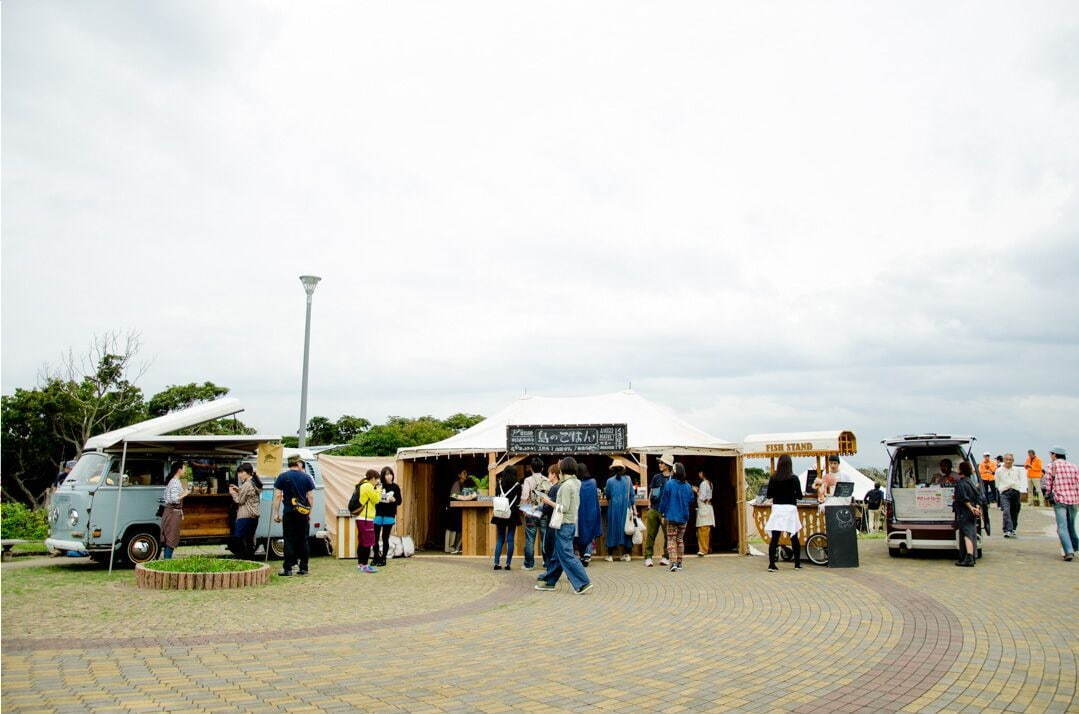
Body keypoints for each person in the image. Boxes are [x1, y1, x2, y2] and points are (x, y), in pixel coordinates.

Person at [535, 457, 592, 594]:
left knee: (566, 555)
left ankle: (583, 583)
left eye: (560, 466)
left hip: (564, 523)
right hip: (570, 523)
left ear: (563, 469)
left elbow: (563, 507)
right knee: (558, 555)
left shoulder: (566, 486)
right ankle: (549, 581)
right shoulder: (575, 482)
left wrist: (548, 502)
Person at [273, 455, 316, 576]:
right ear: (298, 463)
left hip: (289, 512)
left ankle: (288, 569)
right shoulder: (307, 477)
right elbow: (311, 497)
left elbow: (277, 496)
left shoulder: (282, 477)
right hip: (303, 513)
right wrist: (309, 512)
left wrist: (276, 513)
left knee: (288, 539)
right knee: (303, 539)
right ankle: (304, 568)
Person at [764, 455, 803, 572]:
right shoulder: (794, 478)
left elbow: (769, 495)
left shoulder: (773, 477)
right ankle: (797, 564)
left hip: (777, 508)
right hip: (790, 508)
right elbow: (800, 496)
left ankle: (771, 564)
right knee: (794, 536)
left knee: (775, 537)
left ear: (779, 464)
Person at [1042, 446, 1078, 561]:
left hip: (1059, 500)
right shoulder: (1074, 466)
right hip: (1074, 500)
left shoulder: (1051, 466)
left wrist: (1048, 494)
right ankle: (1075, 546)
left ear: (1054, 455)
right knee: (1072, 526)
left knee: (1062, 527)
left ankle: (1069, 551)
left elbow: (1048, 483)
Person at [659, 463, 694, 572]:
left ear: (675, 471)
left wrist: (662, 512)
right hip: (684, 517)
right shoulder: (688, 486)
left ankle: (673, 562)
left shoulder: (669, 484)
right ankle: (679, 563)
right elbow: (691, 500)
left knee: (671, 540)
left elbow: (664, 500)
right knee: (680, 540)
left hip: (672, 516)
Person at [644, 454, 673, 567]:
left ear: (668, 465)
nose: (660, 464)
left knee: (667, 535)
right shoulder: (656, 477)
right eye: (660, 462)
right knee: (651, 534)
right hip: (654, 509)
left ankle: (666, 557)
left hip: (667, 511)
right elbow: (651, 492)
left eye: (662, 463)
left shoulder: (673, 479)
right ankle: (648, 557)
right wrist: (649, 506)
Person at [228, 463, 262, 560]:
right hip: (254, 516)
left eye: (241, 472)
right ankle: (250, 560)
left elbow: (239, 500)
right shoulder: (254, 483)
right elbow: (249, 496)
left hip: (245, 515)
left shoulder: (247, 484)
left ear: (248, 473)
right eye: (239, 472)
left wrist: (233, 493)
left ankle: (241, 558)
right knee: (249, 539)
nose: (239, 474)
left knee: (238, 538)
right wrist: (239, 490)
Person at [520, 457, 548, 570]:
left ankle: (529, 564)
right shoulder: (546, 480)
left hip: (531, 512)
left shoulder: (528, 480)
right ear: (542, 468)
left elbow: (524, 497)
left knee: (530, 539)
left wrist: (525, 510)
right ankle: (547, 563)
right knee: (545, 538)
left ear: (531, 468)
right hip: (544, 511)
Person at [951, 461, 982, 567]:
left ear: (961, 470)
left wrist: (971, 508)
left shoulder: (961, 483)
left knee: (966, 534)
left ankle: (969, 557)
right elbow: (978, 496)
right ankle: (971, 556)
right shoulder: (971, 482)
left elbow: (963, 498)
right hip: (972, 512)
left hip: (964, 512)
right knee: (971, 533)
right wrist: (977, 508)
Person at [351, 469, 382, 573]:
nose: (377, 482)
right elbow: (376, 500)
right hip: (365, 518)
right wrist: (378, 489)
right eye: (377, 479)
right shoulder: (368, 486)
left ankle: (360, 564)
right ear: (372, 478)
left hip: (361, 517)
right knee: (368, 542)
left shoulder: (362, 485)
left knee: (362, 542)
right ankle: (365, 565)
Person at [603, 463, 634, 562]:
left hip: (614, 509)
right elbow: (632, 496)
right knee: (626, 530)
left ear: (612, 469)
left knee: (612, 529)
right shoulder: (628, 480)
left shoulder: (609, 481)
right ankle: (627, 554)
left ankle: (610, 555)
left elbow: (607, 495)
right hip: (626, 509)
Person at [491, 467, 521, 570]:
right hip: (512, 514)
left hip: (500, 514)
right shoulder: (517, 486)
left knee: (500, 538)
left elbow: (496, 496)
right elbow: (518, 501)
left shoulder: (499, 484)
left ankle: (496, 563)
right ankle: (508, 564)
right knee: (510, 539)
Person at [373, 466, 402, 567]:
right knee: (375, 538)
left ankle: (383, 558)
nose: (389, 476)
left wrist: (394, 499)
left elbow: (399, 501)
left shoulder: (395, 487)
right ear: (383, 476)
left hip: (389, 515)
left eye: (390, 474)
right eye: (386, 474)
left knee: (385, 537)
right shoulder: (379, 486)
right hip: (378, 513)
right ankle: (376, 557)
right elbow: (374, 498)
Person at [160, 462, 189, 559]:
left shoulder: (174, 481)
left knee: (170, 538)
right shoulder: (175, 482)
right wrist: (185, 493)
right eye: (184, 468)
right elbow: (174, 499)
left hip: (172, 513)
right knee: (171, 539)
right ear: (179, 470)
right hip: (172, 513)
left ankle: (167, 561)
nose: (185, 471)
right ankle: (167, 562)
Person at [574, 462, 601, 566]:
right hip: (591, 511)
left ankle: (582, 555)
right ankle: (587, 554)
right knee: (590, 533)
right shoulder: (593, 482)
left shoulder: (577, 484)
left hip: (580, 512)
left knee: (581, 533)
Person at [994, 453, 1026, 538]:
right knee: (1006, 511)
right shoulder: (999, 470)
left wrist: (1020, 489)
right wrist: (1001, 489)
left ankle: (1013, 529)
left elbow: (1021, 480)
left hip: (1015, 492)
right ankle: (1007, 530)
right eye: (1006, 459)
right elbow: (997, 483)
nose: (1008, 461)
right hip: (1005, 493)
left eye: (1010, 460)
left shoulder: (1017, 470)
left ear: (1013, 461)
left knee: (1015, 511)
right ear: (1003, 460)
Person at [445, 469, 475, 554]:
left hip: (459, 509)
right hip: (453, 509)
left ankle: (457, 547)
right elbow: (454, 495)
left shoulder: (465, 484)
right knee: (452, 527)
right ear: (459, 475)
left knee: (458, 528)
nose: (465, 474)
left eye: (466, 473)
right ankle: (449, 547)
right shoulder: (456, 484)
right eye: (463, 473)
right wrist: (466, 497)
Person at [538, 463, 561, 568]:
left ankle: (549, 572)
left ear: (554, 475)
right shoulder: (560, 487)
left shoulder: (554, 488)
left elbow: (548, 508)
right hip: (557, 522)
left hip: (552, 521)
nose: (548, 476)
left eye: (549, 473)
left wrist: (539, 508)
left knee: (548, 547)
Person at [693, 470, 714, 557]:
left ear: (702, 473)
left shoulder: (703, 483)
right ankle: (707, 548)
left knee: (702, 530)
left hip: (704, 508)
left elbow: (702, 497)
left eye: (700, 472)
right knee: (706, 530)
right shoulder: (710, 483)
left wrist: (695, 490)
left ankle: (703, 549)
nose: (699, 474)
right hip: (707, 508)